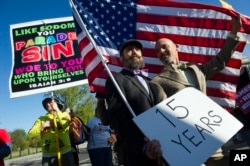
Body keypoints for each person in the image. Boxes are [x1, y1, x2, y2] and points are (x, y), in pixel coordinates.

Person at [152, 15, 242, 166]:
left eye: (164, 46)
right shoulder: (157, 82)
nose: (161, 51)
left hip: (212, 138)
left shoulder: (197, 69)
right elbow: (163, 116)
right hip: (188, 145)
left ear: (176, 48)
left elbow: (220, 61)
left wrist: (234, 31)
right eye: (157, 51)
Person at [104, 39, 167, 166]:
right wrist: (143, 147)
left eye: (137, 49)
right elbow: (117, 119)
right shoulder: (117, 79)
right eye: (129, 50)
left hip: (164, 152)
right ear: (121, 58)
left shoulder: (151, 82)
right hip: (138, 155)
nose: (134, 52)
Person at [27, 98, 74, 166]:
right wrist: (42, 126)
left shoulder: (65, 114)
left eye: (51, 102)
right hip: (48, 155)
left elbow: (64, 124)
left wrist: (57, 110)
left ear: (56, 104)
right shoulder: (41, 119)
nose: (48, 104)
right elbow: (30, 135)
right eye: (47, 103)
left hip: (65, 152)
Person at [86, 98, 117, 166]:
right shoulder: (92, 121)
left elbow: (110, 131)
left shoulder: (106, 121)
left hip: (107, 147)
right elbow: (87, 134)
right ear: (97, 111)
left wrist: (112, 138)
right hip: (96, 149)